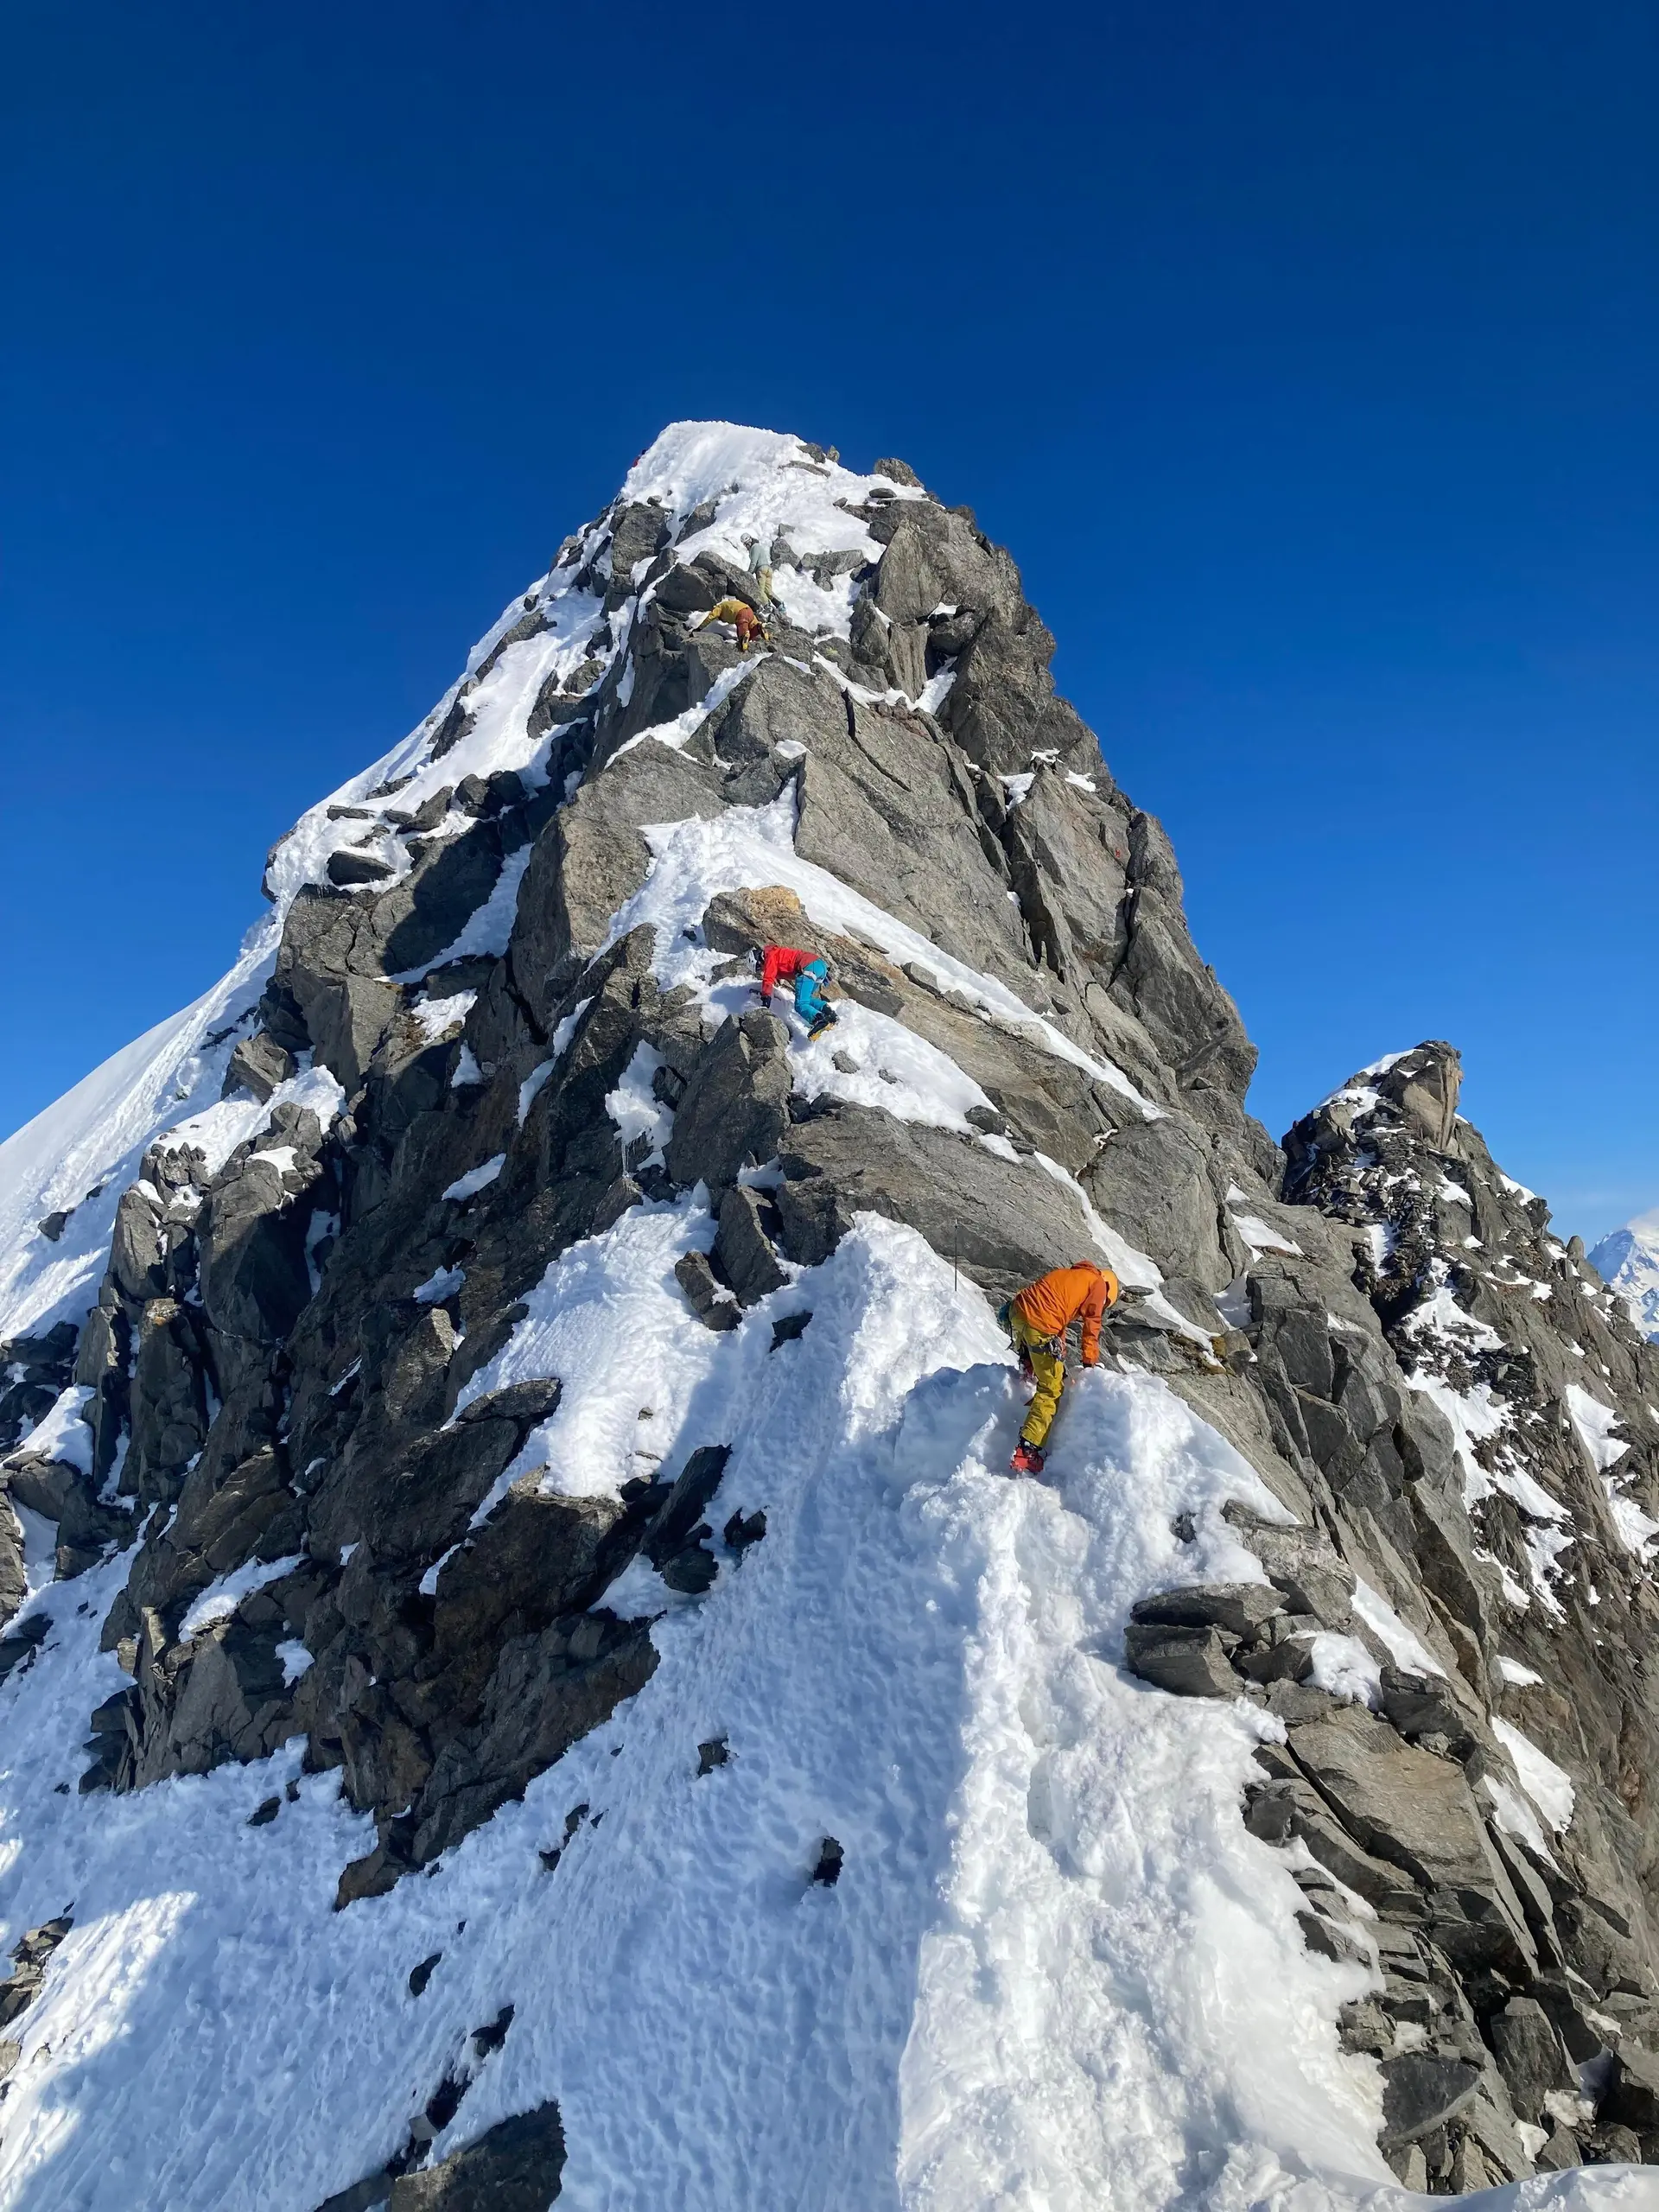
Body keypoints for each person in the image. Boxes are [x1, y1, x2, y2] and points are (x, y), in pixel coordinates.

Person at [1002, 1261, 1121, 1474]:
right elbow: (1091, 1327)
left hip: (1018, 1312)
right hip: (1040, 1323)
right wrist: (1089, 1363)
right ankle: (1027, 1451)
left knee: (1039, 1356)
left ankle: (1028, 1370)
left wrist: (1060, 1357)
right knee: (1052, 1389)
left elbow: (1058, 1321)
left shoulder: (1073, 1276)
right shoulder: (1099, 1284)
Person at [757, 944, 837, 1039]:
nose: (762, 970)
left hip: (807, 967)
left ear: (759, 962)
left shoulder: (770, 957)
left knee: (800, 1005)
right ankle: (829, 1014)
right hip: (819, 966)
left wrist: (766, 995)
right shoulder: (776, 953)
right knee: (807, 999)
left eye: (759, 968)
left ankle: (819, 1021)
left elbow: (768, 978)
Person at [696, 596, 768, 651]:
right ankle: (759, 627)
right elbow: (750, 617)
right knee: (753, 625)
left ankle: (743, 637)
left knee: (742, 628)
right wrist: (757, 623)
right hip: (749, 611)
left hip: (740, 613)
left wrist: (700, 628)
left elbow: (711, 617)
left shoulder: (719, 607)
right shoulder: (731, 603)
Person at [743, 535, 773, 606]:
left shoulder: (754, 547)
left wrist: (749, 573)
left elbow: (754, 562)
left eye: (747, 544)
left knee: (760, 590)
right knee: (768, 591)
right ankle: (780, 606)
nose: (747, 546)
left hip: (761, 570)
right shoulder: (758, 546)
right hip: (768, 569)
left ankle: (767, 605)